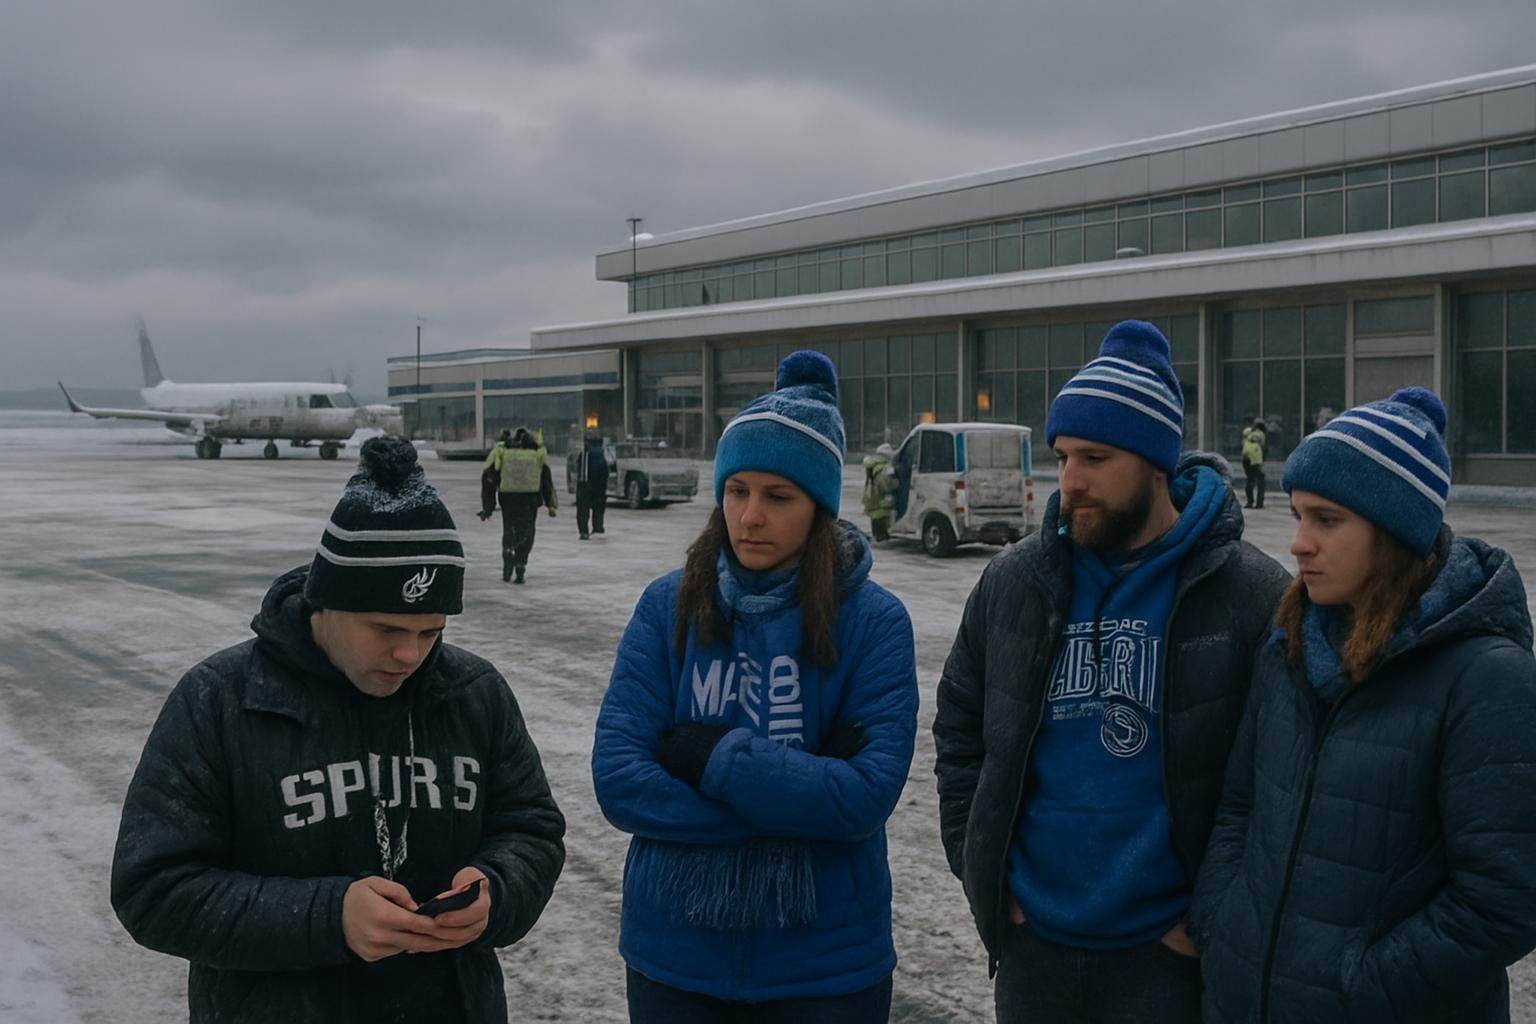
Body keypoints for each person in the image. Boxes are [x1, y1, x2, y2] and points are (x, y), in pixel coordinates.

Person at [110, 435, 566, 1024]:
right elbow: (153, 889)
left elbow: (532, 831)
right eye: (386, 629)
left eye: (430, 632)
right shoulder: (221, 700)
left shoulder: (473, 693)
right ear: (324, 603)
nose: (409, 655)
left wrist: (495, 892)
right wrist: (329, 917)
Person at [932, 320, 1290, 1024]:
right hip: (1033, 950)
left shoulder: (1250, 594)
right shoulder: (1015, 583)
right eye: (1063, 457)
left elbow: (1279, 780)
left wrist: (1209, 920)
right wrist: (987, 876)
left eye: (1095, 458)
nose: (1070, 481)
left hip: (1168, 961)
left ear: (1155, 462)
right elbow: (960, 733)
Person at [1189, 387, 1536, 1023]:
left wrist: (1359, 991)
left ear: (1394, 530)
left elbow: (1503, 898)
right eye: (1298, 516)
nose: (1298, 543)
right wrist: (1222, 929)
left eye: (1326, 520)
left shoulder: (1487, 678)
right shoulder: (1288, 647)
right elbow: (1240, 807)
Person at [592, 351, 919, 1022]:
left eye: (777, 497)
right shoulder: (667, 607)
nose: (749, 516)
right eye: (737, 491)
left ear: (818, 507)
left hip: (825, 967)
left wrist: (711, 758)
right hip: (675, 959)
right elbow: (620, 780)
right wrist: (798, 797)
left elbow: (864, 797)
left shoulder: (875, 622)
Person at [483, 427, 558, 583]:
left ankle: (508, 551)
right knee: (527, 531)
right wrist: (550, 503)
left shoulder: (503, 450)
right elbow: (546, 479)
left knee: (509, 526)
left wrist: (488, 506)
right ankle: (520, 566)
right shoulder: (537, 451)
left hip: (508, 496)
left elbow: (489, 477)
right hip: (530, 498)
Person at [576, 431, 611, 540]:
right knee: (598, 507)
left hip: (586, 485)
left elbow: (583, 471)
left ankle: (584, 531)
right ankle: (598, 527)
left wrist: (584, 484)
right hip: (600, 486)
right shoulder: (601, 453)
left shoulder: (585, 453)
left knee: (583, 509)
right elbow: (606, 470)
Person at [863, 442, 896, 542]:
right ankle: (881, 537)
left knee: (875, 520)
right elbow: (885, 486)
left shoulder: (872, 466)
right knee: (881, 524)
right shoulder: (884, 469)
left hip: (871, 498)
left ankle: (877, 536)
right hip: (880, 501)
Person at [1240, 417, 1267, 509]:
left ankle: (1249, 502)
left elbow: (1242, 443)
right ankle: (1259, 503)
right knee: (1261, 479)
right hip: (1255, 459)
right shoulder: (1261, 434)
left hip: (1245, 458)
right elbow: (1263, 447)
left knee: (1250, 479)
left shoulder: (1247, 432)